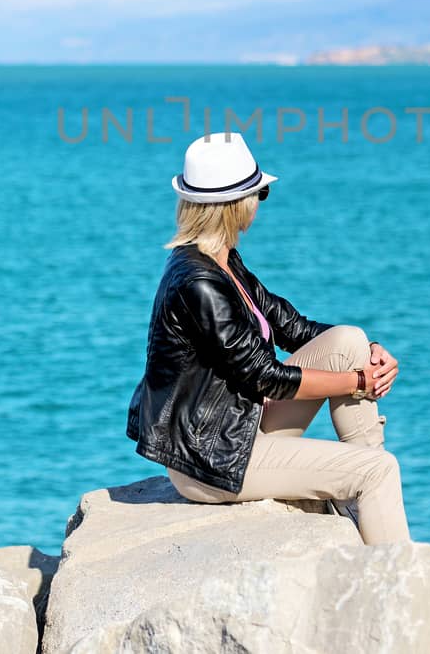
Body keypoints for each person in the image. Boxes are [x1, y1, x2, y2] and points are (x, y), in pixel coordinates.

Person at [124, 130, 410, 544]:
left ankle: (361, 498)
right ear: (236, 205)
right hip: (212, 460)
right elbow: (266, 378)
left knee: (349, 341)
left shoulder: (223, 261)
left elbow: (292, 327)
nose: (260, 203)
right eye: (259, 194)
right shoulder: (199, 283)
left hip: (238, 426)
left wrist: (371, 355)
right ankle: (396, 588)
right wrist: (357, 383)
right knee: (379, 470)